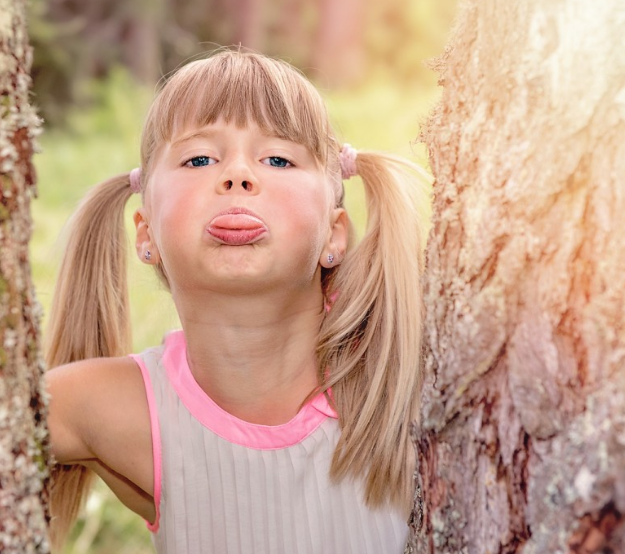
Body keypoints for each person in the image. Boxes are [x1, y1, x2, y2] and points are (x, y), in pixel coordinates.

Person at [43, 49, 427, 553]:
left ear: (335, 234)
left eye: (278, 159)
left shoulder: (403, 380)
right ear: (146, 234)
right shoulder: (110, 408)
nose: (238, 177)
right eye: (200, 159)